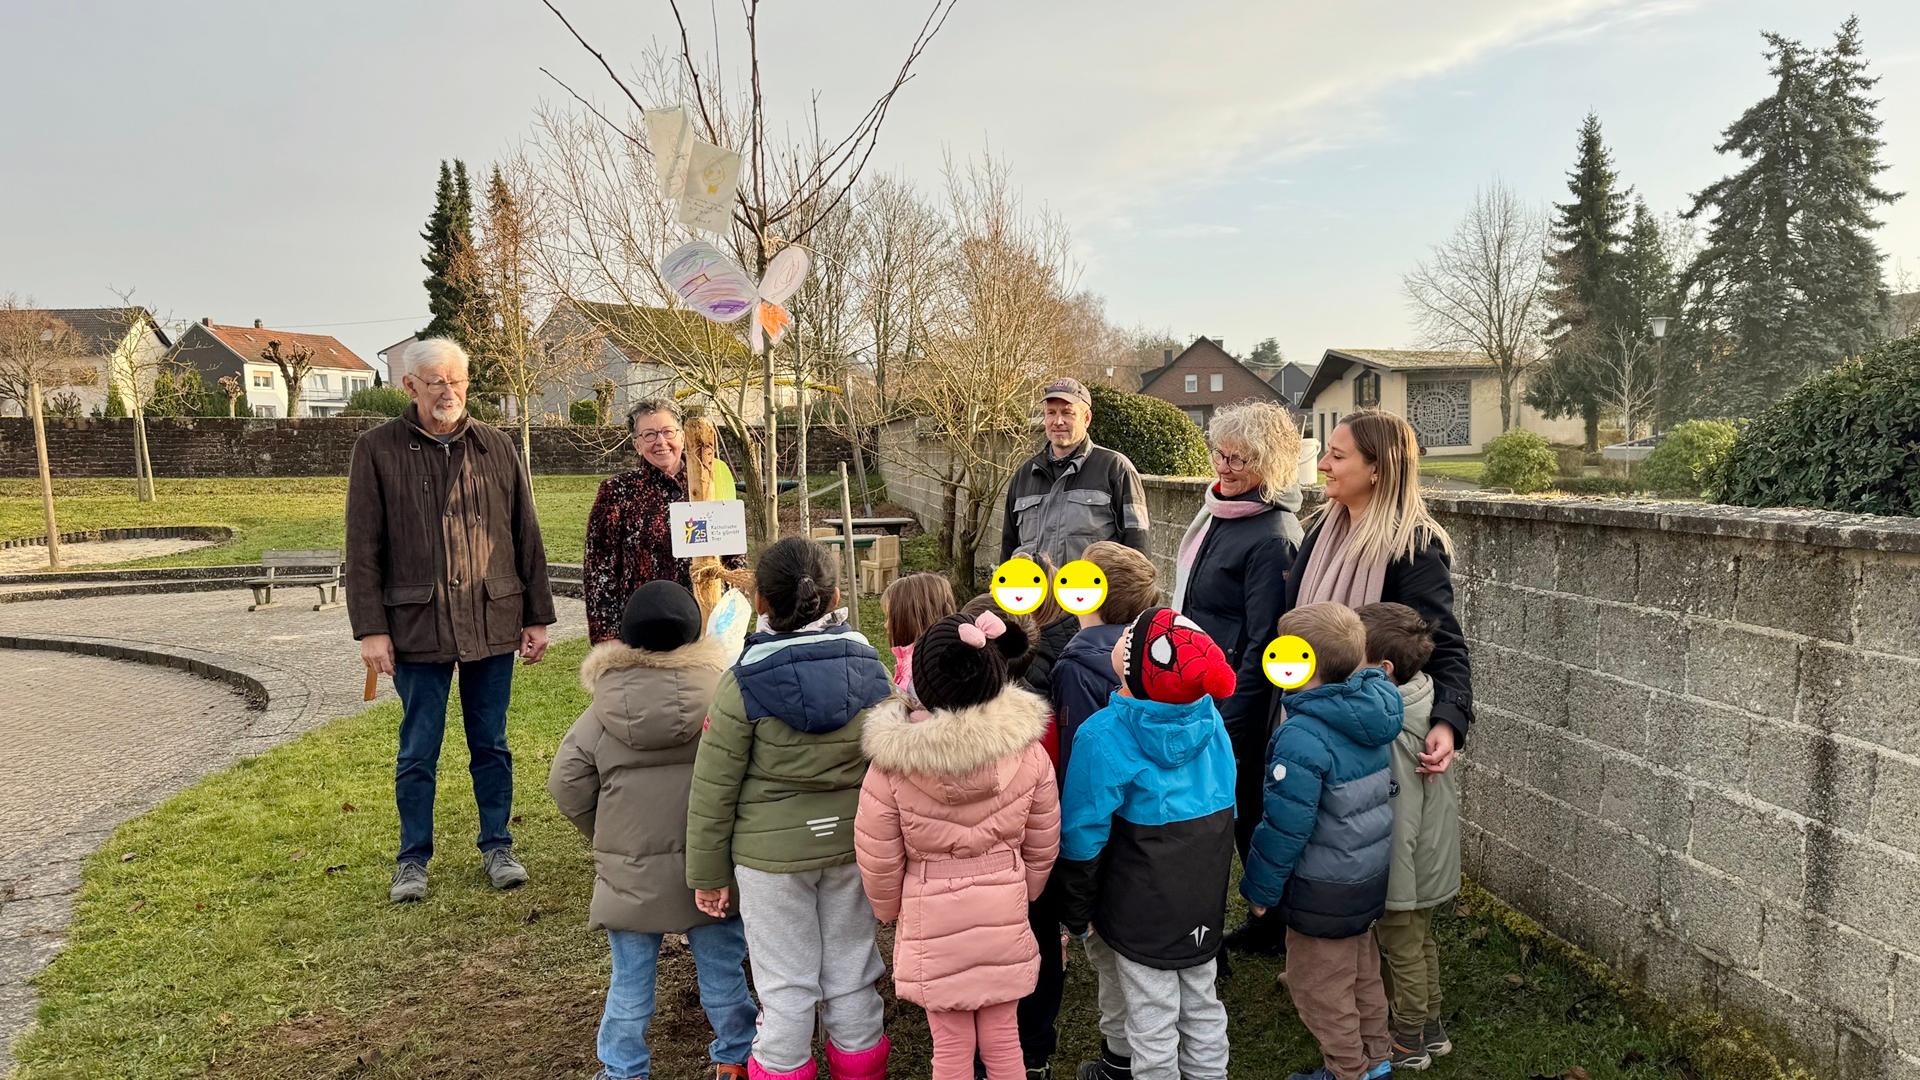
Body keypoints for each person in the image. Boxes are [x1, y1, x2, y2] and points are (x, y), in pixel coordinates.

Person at [345, 336, 556, 904]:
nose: (447, 391)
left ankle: (498, 844)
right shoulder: (377, 449)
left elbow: (525, 535)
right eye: (435, 380)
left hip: (492, 616)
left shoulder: (497, 446)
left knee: (491, 743)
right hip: (416, 624)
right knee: (419, 748)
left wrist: (536, 616)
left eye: (456, 380)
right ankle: (412, 859)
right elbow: (362, 547)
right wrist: (371, 628)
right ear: (410, 386)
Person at [685, 538, 895, 1080]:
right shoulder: (874, 673)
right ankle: (861, 1063)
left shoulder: (740, 684)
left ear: (762, 604)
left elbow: (713, 789)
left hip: (768, 861)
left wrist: (707, 874)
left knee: (784, 982)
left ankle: (781, 1065)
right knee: (852, 970)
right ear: (838, 595)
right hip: (852, 848)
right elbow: (892, 767)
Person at [548, 580, 758, 1080]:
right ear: (694, 632)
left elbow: (565, 782)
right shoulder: (725, 696)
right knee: (724, 974)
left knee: (630, 982)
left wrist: (608, 833)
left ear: (626, 638)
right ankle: (738, 1057)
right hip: (709, 871)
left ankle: (623, 1069)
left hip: (631, 877)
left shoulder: (602, 707)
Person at [855, 611, 1061, 1080]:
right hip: (1004, 908)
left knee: (949, 1047)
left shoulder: (891, 766)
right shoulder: (1027, 751)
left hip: (931, 915)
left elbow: (877, 851)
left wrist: (890, 908)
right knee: (1004, 1038)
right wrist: (1024, 888)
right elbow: (1044, 834)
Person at [1057, 608, 1238, 1080]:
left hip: (1136, 904)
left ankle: (1132, 1066)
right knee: (1201, 1002)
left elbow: (1082, 835)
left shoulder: (1101, 735)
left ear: (1137, 666)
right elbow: (1227, 805)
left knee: (1151, 1019)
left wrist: (1077, 911)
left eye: (1130, 638)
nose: (1119, 639)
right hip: (1201, 897)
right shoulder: (1212, 721)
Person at [1241, 603, 1404, 1080]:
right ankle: (1376, 1062)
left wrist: (1260, 892)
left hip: (1321, 888)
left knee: (1319, 986)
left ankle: (1347, 1070)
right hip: (1365, 876)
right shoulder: (1370, 714)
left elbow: (1286, 827)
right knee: (1362, 973)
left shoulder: (1302, 735)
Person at [1169, 401, 1308, 935]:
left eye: (1240, 460)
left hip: (1234, 698)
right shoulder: (1219, 514)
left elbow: (1263, 640)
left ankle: (1274, 920)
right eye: (1220, 454)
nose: (1224, 468)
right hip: (1202, 684)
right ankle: (1268, 918)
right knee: (1234, 811)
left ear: (1269, 466)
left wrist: (1235, 717)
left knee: (1247, 810)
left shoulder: (1272, 535)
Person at [1287, 409, 1472, 778]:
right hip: (1301, 715)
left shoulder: (1412, 545)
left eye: (1337, 456)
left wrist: (1448, 721)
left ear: (1378, 470)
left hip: (1363, 743)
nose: (1323, 463)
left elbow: (1441, 642)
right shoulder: (1320, 530)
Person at [1355, 602, 1457, 1071]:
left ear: (1384, 668)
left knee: (1401, 949)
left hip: (1404, 860)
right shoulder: (1425, 700)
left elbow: (1400, 811)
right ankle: (1433, 1029)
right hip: (1429, 855)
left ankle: (1409, 1037)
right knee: (1420, 943)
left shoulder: (1389, 723)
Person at [584, 399, 746, 644]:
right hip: (644, 629)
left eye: (668, 432)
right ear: (637, 444)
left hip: (708, 627)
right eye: (649, 435)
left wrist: (734, 615)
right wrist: (607, 635)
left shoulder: (712, 484)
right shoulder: (617, 491)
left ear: (682, 437)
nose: (660, 442)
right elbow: (599, 569)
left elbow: (734, 558)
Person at [1001, 377, 1150, 571]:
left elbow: (1137, 547)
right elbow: (1008, 548)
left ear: (1086, 418)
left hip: (1093, 599)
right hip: (1035, 600)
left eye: (1067, 413)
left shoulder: (1116, 469)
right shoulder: (1024, 476)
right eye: (1051, 413)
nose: (1058, 421)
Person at [882, 571, 958, 704]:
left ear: (909, 619)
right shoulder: (914, 661)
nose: (886, 625)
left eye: (890, 617)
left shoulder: (924, 673)